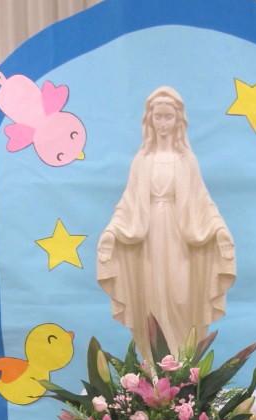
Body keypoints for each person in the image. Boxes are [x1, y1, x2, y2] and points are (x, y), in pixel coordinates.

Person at [97, 87, 236, 360]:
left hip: (180, 236)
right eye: (157, 117)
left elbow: (202, 200)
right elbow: (128, 202)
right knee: (151, 300)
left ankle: (182, 364)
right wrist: (112, 232)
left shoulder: (186, 160)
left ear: (178, 120)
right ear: (149, 120)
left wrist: (219, 230)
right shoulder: (142, 160)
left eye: (168, 117)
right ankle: (154, 364)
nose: (162, 123)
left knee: (181, 296)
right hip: (148, 238)